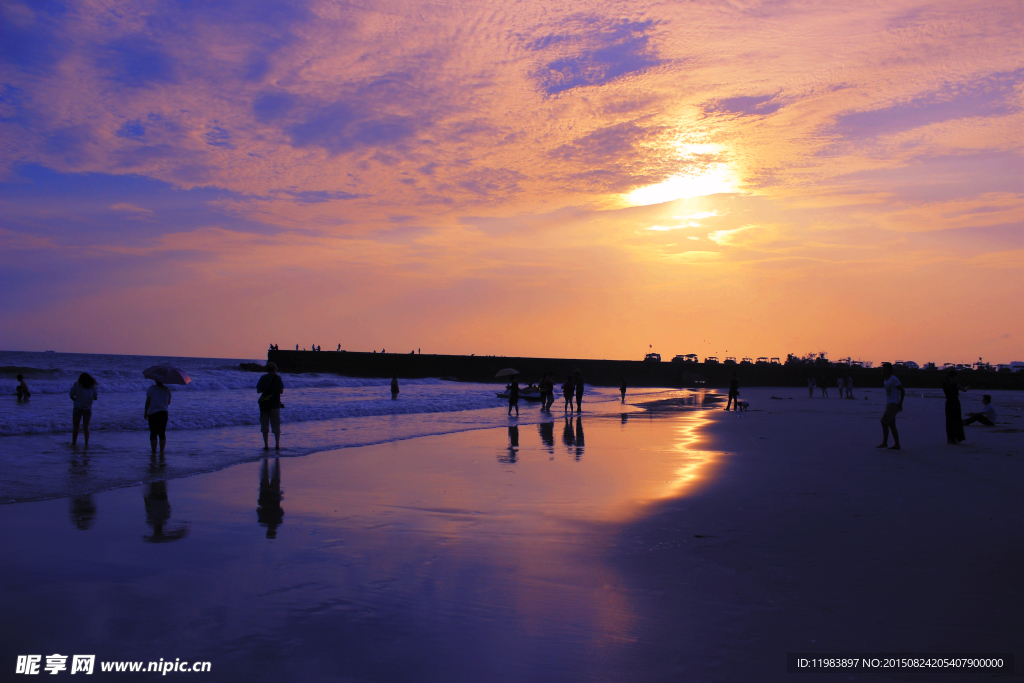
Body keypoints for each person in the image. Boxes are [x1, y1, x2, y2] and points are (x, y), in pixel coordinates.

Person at [876, 363, 905, 450]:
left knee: (884, 421)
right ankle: (897, 444)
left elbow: (902, 390)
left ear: (889, 370)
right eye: (882, 369)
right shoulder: (886, 381)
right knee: (891, 425)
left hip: (894, 404)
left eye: (885, 369)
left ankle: (885, 443)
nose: (883, 371)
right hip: (889, 404)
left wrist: (900, 404)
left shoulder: (894, 379)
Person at [257, 362, 284, 450]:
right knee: (276, 424)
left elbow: (258, 391)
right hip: (275, 404)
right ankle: (277, 445)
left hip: (264, 405)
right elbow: (281, 391)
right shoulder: (278, 378)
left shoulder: (263, 377)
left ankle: (266, 445)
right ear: (274, 369)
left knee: (264, 425)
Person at [144, 379, 172, 455]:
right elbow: (168, 402)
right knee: (162, 433)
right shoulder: (167, 389)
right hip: (163, 413)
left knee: (153, 433)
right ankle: (162, 451)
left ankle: (153, 451)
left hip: (153, 413)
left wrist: (145, 412)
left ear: (155, 380)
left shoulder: (151, 388)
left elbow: (148, 401)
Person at [69, 372, 98, 447]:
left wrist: (75, 400)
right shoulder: (92, 386)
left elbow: (71, 394)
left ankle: (74, 443)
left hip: (78, 408)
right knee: (86, 427)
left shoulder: (78, 384)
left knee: (76, 427)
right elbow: (95, 397)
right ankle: (86, 444)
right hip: (87, 409)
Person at [941, 370, 968, 444]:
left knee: (949, 421)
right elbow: (964, 390)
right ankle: (956, 438)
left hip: (948, 403)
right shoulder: (956, 385)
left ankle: (950, 438)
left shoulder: (944, 384)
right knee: (956, 420)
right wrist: (967, 387)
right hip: (955, 403)